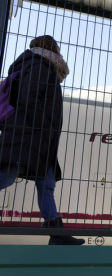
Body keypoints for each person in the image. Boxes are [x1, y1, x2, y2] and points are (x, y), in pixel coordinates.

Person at [0, 35, 84, 245]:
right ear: (51, 47)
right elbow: (29, 99)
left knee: (47, 184)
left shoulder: (38, 65)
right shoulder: (39, 65)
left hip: (39, 140)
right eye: (57, 47)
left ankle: (58, 235)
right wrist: (44, 126)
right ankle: (57, 234)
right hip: (28, 137)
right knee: (7, 176)